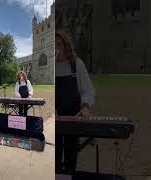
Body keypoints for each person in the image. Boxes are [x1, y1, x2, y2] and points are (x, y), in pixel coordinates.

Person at [55, 31, 95, 174]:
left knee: (71, 157)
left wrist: (85, 106)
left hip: (73, 119)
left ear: (66, 46)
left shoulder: (77, 64)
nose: (56, 48)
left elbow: (87, 90)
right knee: (55, 156)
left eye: (59, 45)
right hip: (55, 121)